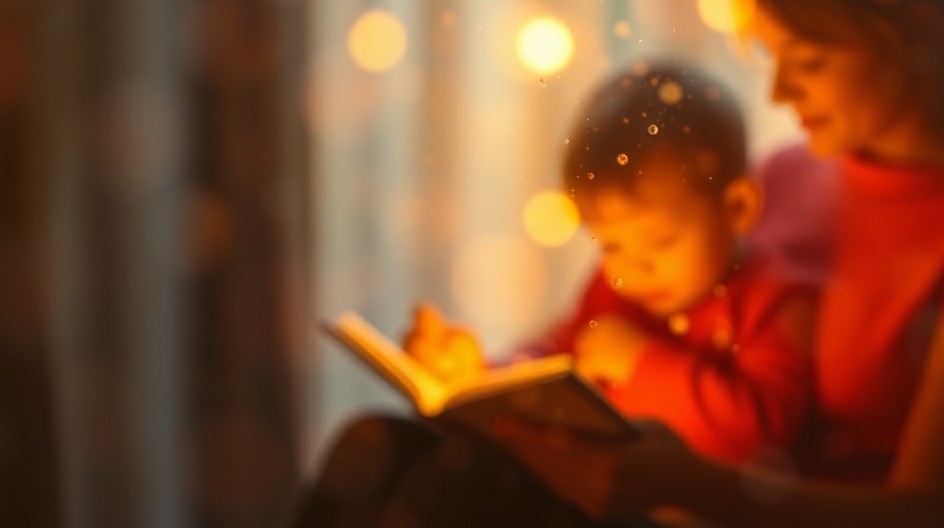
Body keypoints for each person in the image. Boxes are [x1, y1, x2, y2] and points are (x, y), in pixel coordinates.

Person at [490, 0, 944, 528]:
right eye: (770, 59)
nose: (778, 94)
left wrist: (691, 485)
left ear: (919, 34)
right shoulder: (787, 174)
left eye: (808, 63)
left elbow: (932, 512)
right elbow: (631, 323)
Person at [287, 60, 817, 527]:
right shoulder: (617, 289)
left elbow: (761, 440)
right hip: (581, 489)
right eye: (610, 245)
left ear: (739, 208)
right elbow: (553, 364)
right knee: (376, 443)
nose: (634, 267)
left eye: (662, 240)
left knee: (458, 481)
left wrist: (644, 364)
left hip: (673, 512)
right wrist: (481, 377)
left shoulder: (774, 299)